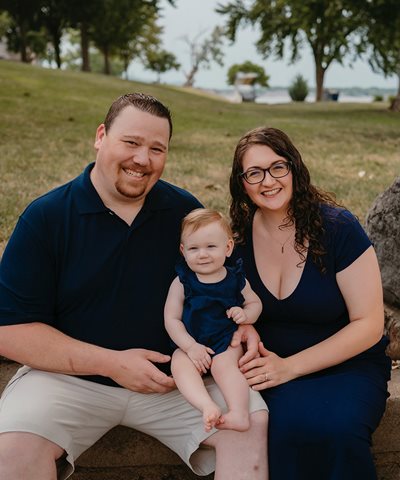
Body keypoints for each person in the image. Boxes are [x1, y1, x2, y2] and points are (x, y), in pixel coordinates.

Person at [0, 93, 268, 480]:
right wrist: (111, 363)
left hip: (177, 381)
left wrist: (243, 321)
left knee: (251, 422)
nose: (142, 159)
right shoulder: (47, 218)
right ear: (101, 136)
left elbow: (218, 283)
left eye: (156, 148)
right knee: (11, 449)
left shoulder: (182, 213)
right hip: (67, 380)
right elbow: (9, 331)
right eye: (131, 142)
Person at [229, 126, 392, 480]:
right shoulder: (237, 241)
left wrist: (290, 367)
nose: (267, 180)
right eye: (254, 173)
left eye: (277, 167)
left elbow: (368, 324)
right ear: (241, 183)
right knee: (281, 430)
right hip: (274, 371)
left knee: (338, 431)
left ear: (294, 169)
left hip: (348, 366)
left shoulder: (337, 228)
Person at [165, 208, 262, 433]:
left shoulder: (236, 279)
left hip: (225, 340)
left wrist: (245, 315)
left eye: (211, 247)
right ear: (183, 251)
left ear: (228, 248)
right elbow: (171, 319)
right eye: (194, 248)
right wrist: (190, 347)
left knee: (224, 366)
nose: (202, 254)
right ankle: (206, 405)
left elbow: (255, 304)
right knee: (179, 363)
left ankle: (239, 413)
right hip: (192, 342)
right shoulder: (182, 282)